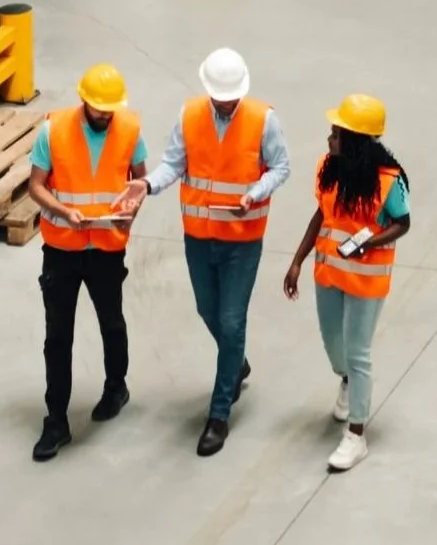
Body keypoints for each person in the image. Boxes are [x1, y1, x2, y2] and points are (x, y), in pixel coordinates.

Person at [141, 47, 290, 457]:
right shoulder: (189, 116)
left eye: (231, 97)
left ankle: (219, 412)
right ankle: (236, 362)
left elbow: (281, 166)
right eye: (219, 96)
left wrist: (254, 192)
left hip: (242, 240)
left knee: (230, 319)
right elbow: (174, 164)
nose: (225, 103)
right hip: (199, 237)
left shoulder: (263, 120)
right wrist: (149, 185)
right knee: (208, 311)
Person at [25, 62, 148, 463]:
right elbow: (35, 186)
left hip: (107, 247)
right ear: (84, 101)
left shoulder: (129, 129)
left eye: (110, 110)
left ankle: (117, 387)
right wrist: (62, 210)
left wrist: (131, 209)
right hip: (62, 248)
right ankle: (56, 420)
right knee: (58, 336)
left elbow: (139, 180)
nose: (105, 116)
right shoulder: (53, 130)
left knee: (112, 322)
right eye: (99, 110)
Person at [281, 94, 409, 475]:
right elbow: (322, 214)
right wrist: (297, 260)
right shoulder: (329, 168)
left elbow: (402, 222)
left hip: (367, 281)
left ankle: (356, 435)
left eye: (336, 134)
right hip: (329, 274)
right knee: (334, 347)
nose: (329, 139)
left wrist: (369, 242)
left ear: (354, 140)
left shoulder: (390, 182)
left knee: (357, 351)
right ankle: (347, 381)